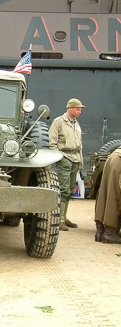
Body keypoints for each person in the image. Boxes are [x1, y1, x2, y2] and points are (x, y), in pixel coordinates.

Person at [48, 98, 85, 231]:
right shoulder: (58, 122)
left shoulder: (76, 123)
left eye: (80, 109)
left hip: (75, 158)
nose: (80, 111)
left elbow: (79, 145)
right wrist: (59, 158)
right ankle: (60, 219)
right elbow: (52, 143)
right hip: (64, 157)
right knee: (63, 189)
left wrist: (80, 162)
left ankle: (64, 216)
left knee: (69, 189)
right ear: (69, 108)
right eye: (77, 108)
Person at [94, 147, 121, 243]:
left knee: (105, 193)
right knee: (115, 195)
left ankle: (100, 231)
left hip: (113, 156)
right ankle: (109, 233)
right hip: (119, 160)